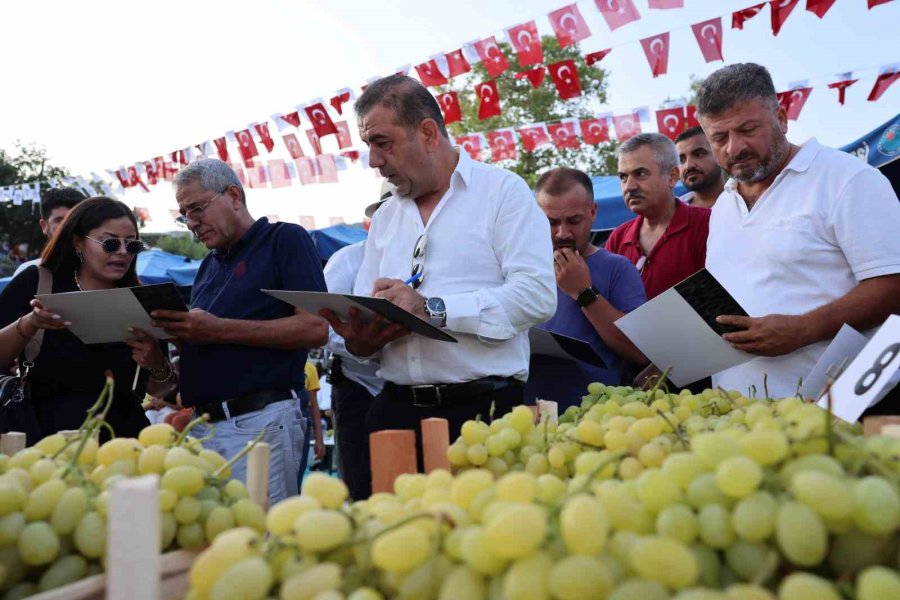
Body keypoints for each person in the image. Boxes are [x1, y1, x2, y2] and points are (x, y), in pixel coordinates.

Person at [321, 74, 556, 448]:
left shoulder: (503, 192)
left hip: (484, 416)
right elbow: (368, 331)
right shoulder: (384, 217)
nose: (373, 160)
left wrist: (433, 309)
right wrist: (361, 341)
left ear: (428, 133)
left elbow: (537, 296)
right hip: (393, 411)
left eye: (382, 143)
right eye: (368, 145)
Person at [695, 62, 900, 399]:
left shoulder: (847, 179)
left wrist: (804, 329)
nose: (735, 147)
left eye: (748, 129)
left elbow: (894, 285)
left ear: (781, 118)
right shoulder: (722, 206)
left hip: (841, 408)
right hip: (739, 417)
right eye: (719, 137)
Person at [152, 159, 328, 503]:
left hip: (259, 422)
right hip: (201, 426)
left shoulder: (284, 239)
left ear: (234, 195)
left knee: (257, 539)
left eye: (197, 209)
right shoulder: (206, 265)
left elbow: (315, 327)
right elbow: (210, 341)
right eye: (183, 215)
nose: (191, 223)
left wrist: (217, 330)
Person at [0, 197, 172, 443]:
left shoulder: (143, 299)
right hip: (46, 444)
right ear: (78, 242)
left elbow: (161, 389)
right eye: (110, 243)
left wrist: (155, 361)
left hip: (123, 445)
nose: (123, 252)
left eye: (132, 245)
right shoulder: (38, 281)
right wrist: (29, 324)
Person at [526, 168, 648, 408]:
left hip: (598, 414)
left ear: (593, 212)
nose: (563, 233)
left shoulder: (618, 269)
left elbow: (640, 351)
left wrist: (583, 292)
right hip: (529, 412)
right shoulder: (522, 268)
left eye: (573, 221)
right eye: (551, 222)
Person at [323, 184, 390, 500]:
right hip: (358, 390)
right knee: (362, 488)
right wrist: (359, 343)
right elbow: (325, 328)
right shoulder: (347, 260)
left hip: (413, 394)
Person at [605, 133, 711, 300]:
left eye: (640, 174)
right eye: (623, 177)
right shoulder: (618, 238)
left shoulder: (708, 225)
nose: (629, 186)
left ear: (672, 176)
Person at [14, 188, 88, 277]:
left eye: (76, 219)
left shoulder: (104, 271)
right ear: (44, 226)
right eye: (60, 220)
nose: (69, 226)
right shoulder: (29, 274)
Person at [674, 126, 725, 209]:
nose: (689, 165)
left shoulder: (745, 206)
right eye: (681, 160)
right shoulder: (674, 212)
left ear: (719, 155)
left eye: (699, 154)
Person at [298, 360, 326, 486]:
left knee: (298, 473)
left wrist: (319, 440)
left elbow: (314, 406)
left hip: (302, 424)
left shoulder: (309, 368)